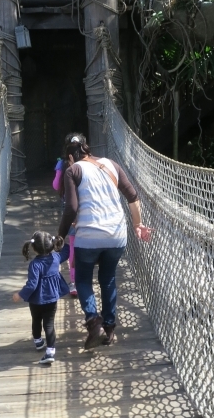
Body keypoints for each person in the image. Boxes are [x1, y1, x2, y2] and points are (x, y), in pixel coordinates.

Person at [57, 133, 149, 349]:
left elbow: (71, 208)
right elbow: (133, 196)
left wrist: (61, 236)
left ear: (70, 157)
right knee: (107, 279)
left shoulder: (73, 170)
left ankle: (93, 320)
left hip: (88, 236)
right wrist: (138, 224)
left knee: (82, 280)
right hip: (117, 235)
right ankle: (109, 329)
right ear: (87, 149)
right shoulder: (110, 164)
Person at [12, 231, 70, 365]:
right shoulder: (56, 257)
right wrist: (68, 240)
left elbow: (32, 284)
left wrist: (20, 294)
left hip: (36, 300)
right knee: (49, 324)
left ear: (33, 248)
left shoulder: (35, 264)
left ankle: (38, 341)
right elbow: (66, 253)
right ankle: (50, 352)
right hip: (51, 298)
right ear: (52, 245)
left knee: (36, 320)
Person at [53, 153, 77, 295]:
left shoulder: (62, 163)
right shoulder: (89, 161)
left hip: (71, 214)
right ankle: (84, 281)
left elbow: (56, 185)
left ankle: (74, 283)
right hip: (89, 212)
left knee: (73, 247)